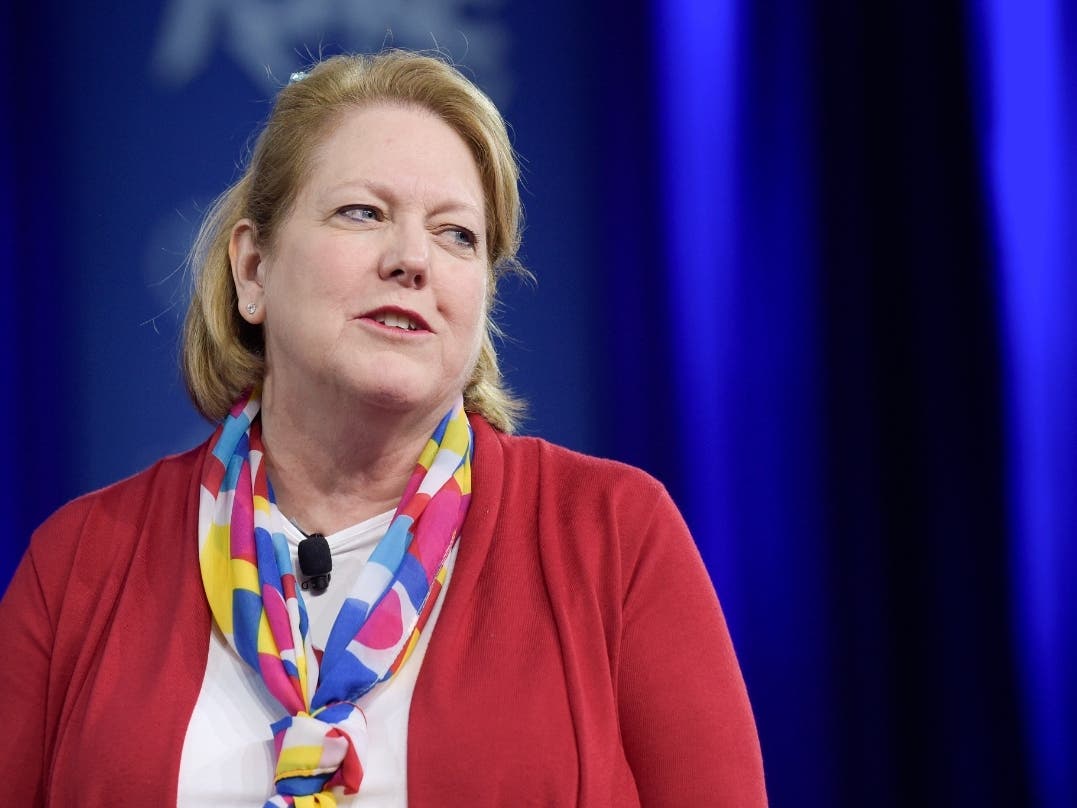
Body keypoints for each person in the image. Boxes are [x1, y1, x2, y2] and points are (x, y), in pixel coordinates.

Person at [0, 51, 767, 806]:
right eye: (362, 213)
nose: (412, 260)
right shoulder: (80, 562)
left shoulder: (613, 535)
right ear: (254, 269)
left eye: (456, 234)